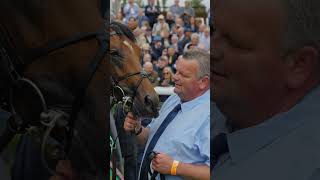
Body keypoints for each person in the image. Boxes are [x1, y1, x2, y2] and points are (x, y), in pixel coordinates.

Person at [212, 0, 320, 179]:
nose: (211, 50)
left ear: (298, 65)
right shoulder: (227, 102)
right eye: (213, 29)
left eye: (234, 42)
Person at [124, 49, 210, 180]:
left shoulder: (211, 118)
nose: (175, 77)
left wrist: (175, 167)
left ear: (203, 82)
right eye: (176, 71)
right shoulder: (174, 99)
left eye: (183, 75)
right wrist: (137, 129)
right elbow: (150, 137)